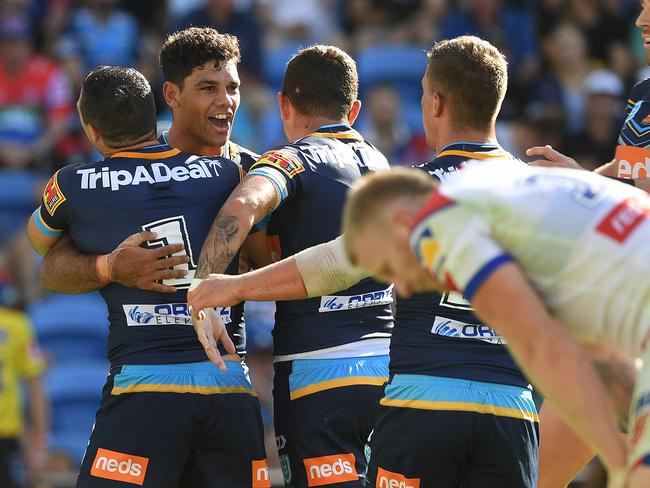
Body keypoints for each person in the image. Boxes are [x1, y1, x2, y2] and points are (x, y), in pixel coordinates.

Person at [189, 36, 602, 488]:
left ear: (437, 103)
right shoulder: (551, 193)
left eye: (424, 94)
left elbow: (340, 263)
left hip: (423, 405)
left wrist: (233, 287)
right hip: (512, 408)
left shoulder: (418, 192)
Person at [27, 66, 269, 487]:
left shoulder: (73, 185)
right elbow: (262, 255)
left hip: (144, 389)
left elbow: (39, 246)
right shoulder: (229, 172)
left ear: (92, 130)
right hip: (229, 385)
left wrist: (106, 264)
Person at [340, 161, 650, 487]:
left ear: (403, 226)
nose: (400, 289)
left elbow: (541, 347)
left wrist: (618, 463)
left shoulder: (440, 222)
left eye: (389, 266)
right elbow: (599, 358)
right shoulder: (495, 189)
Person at [190, 45, 393, 487]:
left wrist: (205, 288)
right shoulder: (382, 164)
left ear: (284, 103)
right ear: (354, 109)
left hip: (316, 372)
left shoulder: (291, 158)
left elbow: (242, 206)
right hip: (391, 370)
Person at [38, 27, 268, 297]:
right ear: (171, 95)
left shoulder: (254, 172)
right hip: (136, 333)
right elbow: (50, 271)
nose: (225, 101)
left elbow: (285, 267)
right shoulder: (126, 167)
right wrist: (107, 266)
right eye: (208, 88)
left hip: (233, 336)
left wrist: (246, 277)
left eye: (232, 88)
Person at [526, 0, 650, 192]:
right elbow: (630, 168)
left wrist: (584, 179)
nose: (640, 20)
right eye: (643, 8)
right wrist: (572, 176)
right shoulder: (642, 91)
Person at [0, 304, 48, 488]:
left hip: (7, 436)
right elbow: (35, 387)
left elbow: (35, 386)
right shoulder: (16, 324)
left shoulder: (17, 324)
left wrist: (38, 442)